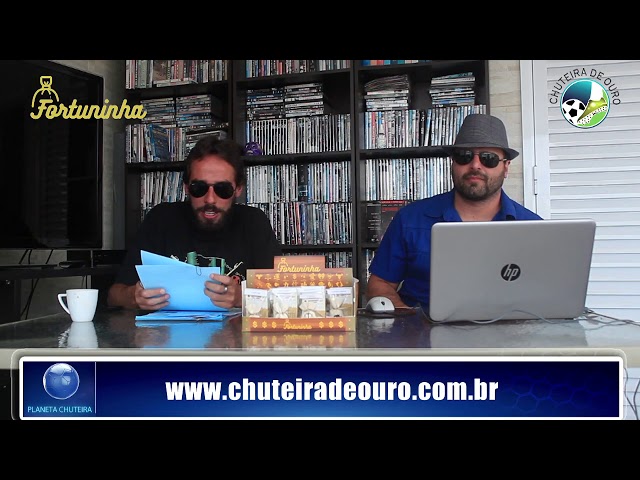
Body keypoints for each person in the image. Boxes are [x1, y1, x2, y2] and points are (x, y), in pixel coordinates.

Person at [366, 113, 543, 310]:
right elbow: (379, 285)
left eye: (489, 158)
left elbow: (548, 292)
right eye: (464, 156)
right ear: (453, 163)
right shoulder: (409, 219)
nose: (475, 165)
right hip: (422, 328)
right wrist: (410, 322)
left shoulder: (535, 229)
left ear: (506, 167)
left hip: (506, 328)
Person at [107, 136, 282, 311]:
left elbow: (283, 297)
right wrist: (134, 296)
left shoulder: (254, 223)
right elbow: (114, 296)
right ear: (186, 188)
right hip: (169, 329)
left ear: (238, 190)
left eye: (223, 189)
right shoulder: (161, 219)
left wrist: (240, 298)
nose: (210, 199)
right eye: (199, 188)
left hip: (234, 329)